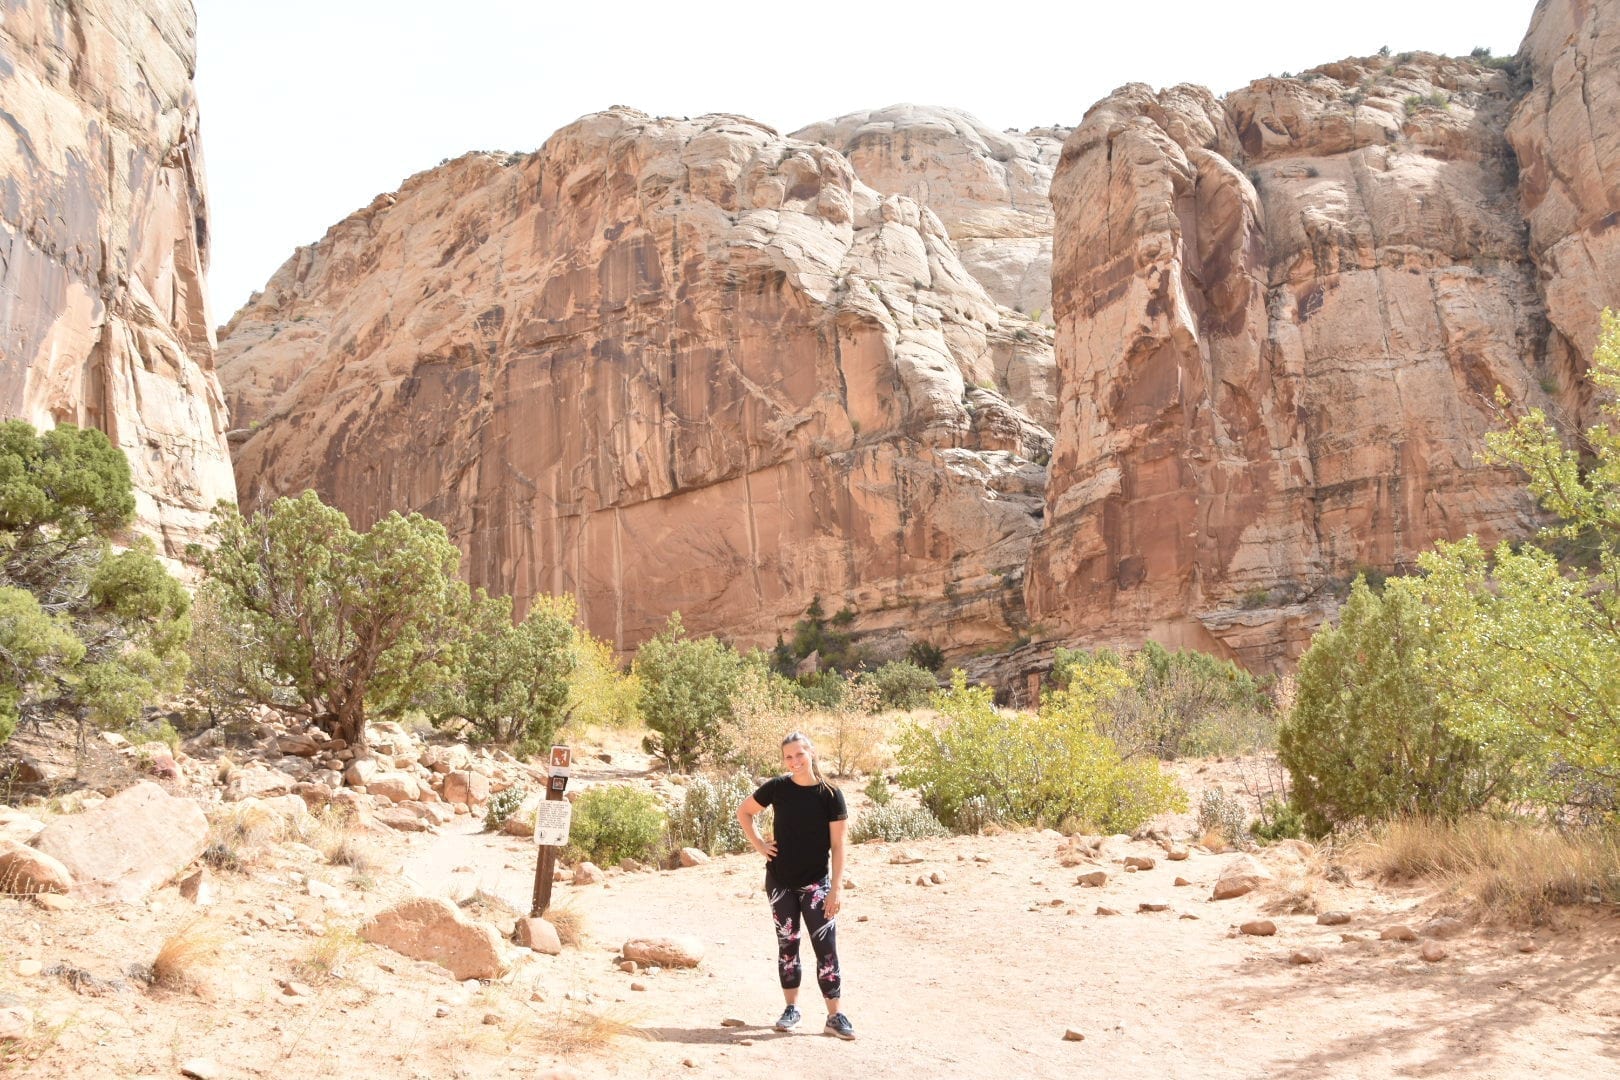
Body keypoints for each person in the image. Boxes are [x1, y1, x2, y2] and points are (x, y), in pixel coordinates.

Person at [736, 731, 854, 1040]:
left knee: (825, 949)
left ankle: (834, 1016)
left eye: (799, 754)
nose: (794, 761)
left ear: (811, 752)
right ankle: (791, 1010)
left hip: (816, 884)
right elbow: (744, 812)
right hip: (780, 882)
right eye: (788, 756)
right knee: (788, 945)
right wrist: (760, 844)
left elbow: (839, 846)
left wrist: (836, 889)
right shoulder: (777, 788)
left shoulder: (830, 794)